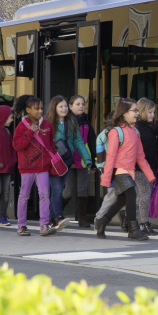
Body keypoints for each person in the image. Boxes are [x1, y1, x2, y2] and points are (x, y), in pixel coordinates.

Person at [94, 99, 156, 241]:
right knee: (132, 194)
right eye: (134, 110)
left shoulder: (135, 131)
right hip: (120, 171)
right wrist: (106, 177)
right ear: (124, 113)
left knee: (121, 201)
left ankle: (102, 222)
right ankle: (133, 230)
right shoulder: (116, 132)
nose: (137, 113)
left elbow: (140, 157)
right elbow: (110, 157)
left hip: (130, 171)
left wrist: (150, 175)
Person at [12, 95, 57, 237]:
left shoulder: (47, 125)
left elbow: (51, 145)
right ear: (28, 110)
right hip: (27, 167)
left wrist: (52, 160)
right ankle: (21, 225)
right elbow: (17, 146)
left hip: (43, 167)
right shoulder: (21, 126)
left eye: (41, 108)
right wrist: (30, 131)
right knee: (24, 196)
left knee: (44, 194)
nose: (40, 111)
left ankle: (44, 225)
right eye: (36, 109)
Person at [46, 95, 88, 231]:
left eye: (65, 106)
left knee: (58, 190)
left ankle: (51, 219)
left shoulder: (71, 122)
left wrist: (87, 158)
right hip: (53, 162)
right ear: (55, 108)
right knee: (57, 189)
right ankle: (58, 217)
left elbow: (78, 141)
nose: (64, 109)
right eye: (61, 106)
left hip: (66, 161)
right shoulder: (48, 123)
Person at [64, 95, 94, 229]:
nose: (81, 106)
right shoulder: (65, 122)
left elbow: (92, 143)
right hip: (69, 161)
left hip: (82, 161)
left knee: (82, 190)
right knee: (68, 192)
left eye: (82, 104)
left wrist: (92, 162)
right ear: (70, 107)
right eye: (77, 104)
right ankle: (54, 214)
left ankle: (82, 219)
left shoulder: (87, 123)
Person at [134, 97, 158, 236]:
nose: (152, 115)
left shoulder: (150, 129)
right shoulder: (138, 128)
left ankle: (128, 216)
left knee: (142, 195)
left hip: (149, 166)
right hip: (138, 167)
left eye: (153, 112)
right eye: (150, 112)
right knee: (145, 193)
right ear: (142, 112)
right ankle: (143, 223)